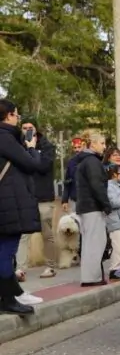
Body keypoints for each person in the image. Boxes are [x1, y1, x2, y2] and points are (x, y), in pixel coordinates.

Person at [0, 99, 50, 314]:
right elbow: (32, 165)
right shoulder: (5, 138)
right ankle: (8, 299)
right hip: (8, 204)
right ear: (9, 115)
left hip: (6, 203)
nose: (18, 119)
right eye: (17, 115)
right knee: (6, 252)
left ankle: (11, 294)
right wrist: (31, 149)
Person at [16, 118, 57, 281]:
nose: (27, 131)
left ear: (36, 129)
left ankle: (51, 266)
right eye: (24, 128)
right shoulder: (17, 146)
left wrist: (32, 149)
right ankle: (20, 269)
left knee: (46, 234)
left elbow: (42, 167)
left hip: (43, 196)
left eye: (30, 127)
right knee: (23, 235)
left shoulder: (47, 147)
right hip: (25, 196)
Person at [74, 129, 111, 286]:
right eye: (102, 143)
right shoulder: (92, 162)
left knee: (90, 242)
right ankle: (92, 277)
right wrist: (106, 204)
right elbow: (97, 185)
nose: (104, 147)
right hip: (92, 206)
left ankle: (91, 276)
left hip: (85, 206)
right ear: (93, 143)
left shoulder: (84, 161)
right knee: (95, 243)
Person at [61, 137, 84, 213]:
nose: (77, 150)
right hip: (74, 200)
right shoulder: (71, 162)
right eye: (75, 148)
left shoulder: (90, 160)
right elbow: (67, 182)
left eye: (79, 147)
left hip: (88, 201)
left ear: (83, 146)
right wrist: (65, 200)